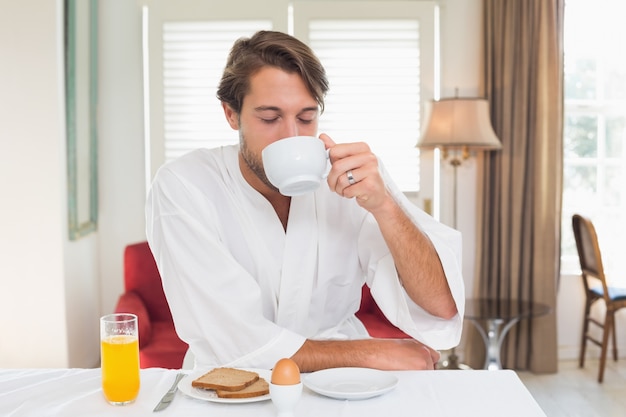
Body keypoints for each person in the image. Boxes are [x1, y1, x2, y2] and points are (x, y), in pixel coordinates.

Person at [146, 30, 464, 372]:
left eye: (306, 117)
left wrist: (384, 206)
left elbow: (441, 307)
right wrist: (369, 353)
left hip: (341, 387)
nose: (292, 136)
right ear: (231, 114)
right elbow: (233, 340)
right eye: (270, 118)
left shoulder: (353, 177)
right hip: (233, 387)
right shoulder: (184, 185)